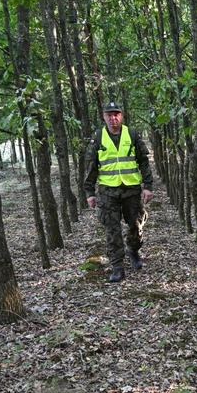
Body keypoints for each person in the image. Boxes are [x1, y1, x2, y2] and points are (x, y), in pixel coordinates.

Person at [84, 102, 154, 283]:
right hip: (108, 192)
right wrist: (89, 192)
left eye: (116, 115)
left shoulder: (132, 135)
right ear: (104, 117)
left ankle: (133, 250)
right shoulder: (98, 138)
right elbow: (91, 167)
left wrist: (148, 186)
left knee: (135, 226)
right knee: (112, 230)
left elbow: (143, 162)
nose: (113, 118)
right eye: (109, 115)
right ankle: (117, 266)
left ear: (121, 116)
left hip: (131, 190)